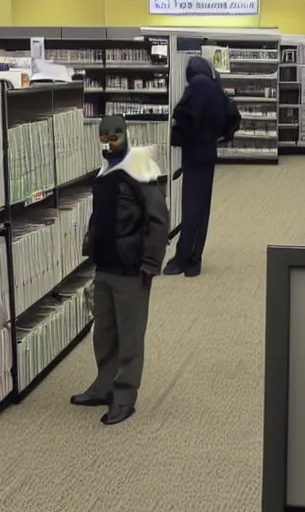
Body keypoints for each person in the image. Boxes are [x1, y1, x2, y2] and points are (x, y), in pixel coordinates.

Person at [70, 115, 169, 426]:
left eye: (115, 135)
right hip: (105, 265)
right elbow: (100, 214)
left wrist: (151, 262)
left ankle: (125, 396)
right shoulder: (105, 170)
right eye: (104, 136)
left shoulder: (140, 169)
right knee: (105, 331)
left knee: (129, 335)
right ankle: (104, 386)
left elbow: (158, 218)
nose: (109, 141)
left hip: (131, 267)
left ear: (126, 134)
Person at [163, 56, 231, 278]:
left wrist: (176, 136)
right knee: (202, 208)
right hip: (209, 153)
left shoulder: (194, 89)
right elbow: (232, 115)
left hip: (193, 156)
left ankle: (182, 258)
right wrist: (218, 135)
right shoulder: (215, 89)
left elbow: (184, 120)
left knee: (190, 207)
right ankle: (195, 258)